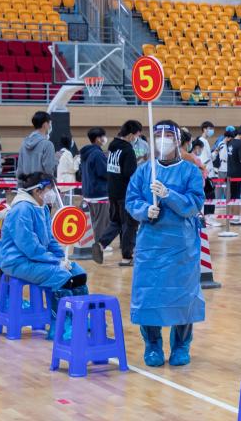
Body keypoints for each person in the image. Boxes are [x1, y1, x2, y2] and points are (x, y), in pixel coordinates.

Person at [127, 121, 206, 366]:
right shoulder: (144, 171)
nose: (163, 140)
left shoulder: (190, 171)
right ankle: (152, 345)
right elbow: (131, 200)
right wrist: (144, 210)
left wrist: (168, 195)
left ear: (178, 139)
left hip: (181, 245)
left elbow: (194, 204)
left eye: (168, 135)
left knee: (183, 296)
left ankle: (181, 346)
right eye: (158, 135)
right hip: (151, 245)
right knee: (149, 296)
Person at [0, 172, 88, 340]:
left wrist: (62, 258)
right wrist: (55, 262)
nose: (53, 192)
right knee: (60, 276)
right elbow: (29, 247)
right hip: (17, 261)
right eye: (49, 188)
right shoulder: (22, 209)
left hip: (35, 259)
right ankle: (60, 325)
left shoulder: (41, 208)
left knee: (77, 272)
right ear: (37, 191)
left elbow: (50, 239)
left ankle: (79, 318)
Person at [98, 120, 142, 266]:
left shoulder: (113, 147)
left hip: (113, 191)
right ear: (131, 135)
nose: (136, 139)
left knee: (116, 222)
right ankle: (127, 257)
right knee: (130, 224)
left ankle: (100, 244)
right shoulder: (128, 150)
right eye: (137, 135)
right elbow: (131, 174)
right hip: (125, 194)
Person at [81, 127, 112, 264]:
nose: (105, 139)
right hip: (99, 193)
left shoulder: (86, 153)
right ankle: (100, 245)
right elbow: (104, 172)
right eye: (103, 136)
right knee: (101, 221)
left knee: (95, 220)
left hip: (89, 192)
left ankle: (97, 243)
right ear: (98, 139)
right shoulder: (97, 154)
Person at [17, 111, 56, 177]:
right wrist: (56, 159)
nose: (50, 126)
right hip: (42, 183)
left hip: (26, 183)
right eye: (50, 123)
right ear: (45, 124)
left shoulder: (24, 143)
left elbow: (19, 169)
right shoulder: (48, 145)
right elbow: (49, 170)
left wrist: (20, 184)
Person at [225, 128, 241, 227]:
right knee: (238, 197)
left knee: (233, 196)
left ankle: (233, 217)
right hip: (240, 175)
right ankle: (236, 218)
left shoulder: (230, 142)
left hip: (231, 173)